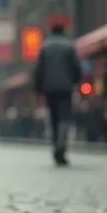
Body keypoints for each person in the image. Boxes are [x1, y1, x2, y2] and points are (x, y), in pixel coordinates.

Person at [33, 23, 82, 166]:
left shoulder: (45, 47)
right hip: (65, 88)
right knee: (64, 118)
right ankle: (62, 145)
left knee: (53, 118)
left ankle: (55, 145)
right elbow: (75, 67)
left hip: (49, 88)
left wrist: (38, 88)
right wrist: (75, 80)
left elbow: (39, 69)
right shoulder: (69, 46)